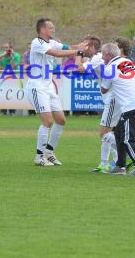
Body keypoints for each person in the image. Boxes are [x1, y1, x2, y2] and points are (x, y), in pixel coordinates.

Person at [27, 18, 88, 166]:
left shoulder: (51, 42)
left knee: (61, 120)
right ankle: (39, 157)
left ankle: (49, 152)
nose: (53, 30)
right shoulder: (37, 42)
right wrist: (77, 51)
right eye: (51, 28)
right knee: (48, 121)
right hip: (37, 86)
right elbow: (56, 53)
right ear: (42, 30)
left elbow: (66, 47)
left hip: (48, 87)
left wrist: (78, 46)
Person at [100, 43, 135, 177]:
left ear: (109, 55)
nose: (102, 58)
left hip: (130, 106)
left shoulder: (109, 68)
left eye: (103, 55)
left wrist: (101, 71)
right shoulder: (128, 62)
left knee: (128, 139)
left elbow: (104, 89)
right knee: (119, 133)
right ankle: (120, 166)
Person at [74, 36, 119, 172]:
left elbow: (79, 68)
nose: (82, 46)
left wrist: (79, 53)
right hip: (113, 98)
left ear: (91, 47)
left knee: (103, 133)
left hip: (113, 98)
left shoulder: (97, 58)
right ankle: (105, 163)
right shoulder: (99, 58)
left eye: (85, 45)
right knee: (109, 133)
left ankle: (124, 156)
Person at [0, 42, 21, 116]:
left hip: (14, 76)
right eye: (4, 48)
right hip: (4, 76)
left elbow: (13, 67)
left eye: (7, 48)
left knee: (12, 93)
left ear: (10, 48)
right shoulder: (0, 54)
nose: (5, 49)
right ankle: (3, 111)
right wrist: (7, 70)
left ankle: (12, 112)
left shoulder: (16, 55)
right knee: (2, 93)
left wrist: (11, 57)